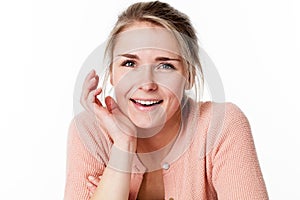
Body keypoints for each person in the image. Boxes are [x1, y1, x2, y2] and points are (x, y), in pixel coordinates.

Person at [64, 1, 269, 199]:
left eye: (165, 66)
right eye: (129, 63)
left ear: (189, 76)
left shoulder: (221, 125)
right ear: (111, 73)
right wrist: (123, 145)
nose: (146, 84)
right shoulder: (90, 131)